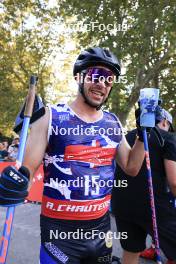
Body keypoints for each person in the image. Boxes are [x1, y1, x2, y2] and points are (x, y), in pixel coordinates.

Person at [0, 47, 148, 264]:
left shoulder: (113, 122)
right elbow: (27, 172)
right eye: (97, 75)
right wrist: (15, 183)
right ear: (80, 77)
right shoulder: (51, 116)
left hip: (100, 229)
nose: (103, 84)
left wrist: (143, 135)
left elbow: (131, 167)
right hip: (60, 233)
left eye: (109, 80)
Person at [111, 108, 176, 264]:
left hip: (122, 204)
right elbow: (174, 181)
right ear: (165, 122)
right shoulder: (168, 138)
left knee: (131, 251)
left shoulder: (127, 136)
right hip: (154, 205)